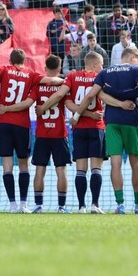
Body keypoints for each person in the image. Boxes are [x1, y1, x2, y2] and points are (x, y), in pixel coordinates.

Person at [71, 48, 138, 214]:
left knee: (115, 163)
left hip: (111, 122)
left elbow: (93, 95)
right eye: (137, 59)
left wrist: (76, 115)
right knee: (135, 163)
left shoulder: (106, 71)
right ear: (132, 57)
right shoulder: (135, 70)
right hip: (131, 120)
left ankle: (120, 205)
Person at [0, 49, 62, 213]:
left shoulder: (5, 70)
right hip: (22, 124)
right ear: (25, 61)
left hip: (3, 123)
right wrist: (69, 79)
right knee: (23, 165)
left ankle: (12, 204)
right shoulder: (31, 74)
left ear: (10, 61)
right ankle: (24, 204)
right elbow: (52, 81)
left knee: (7, 166)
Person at [38, 52, 108, 213]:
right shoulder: (99, 78)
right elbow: (102, 97)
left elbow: (64, 98)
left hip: (79, 129)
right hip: (97, 126)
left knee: (81, 169)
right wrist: (92, 114)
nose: (102, 67)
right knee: (96, 168)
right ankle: (95, 205)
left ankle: (81, 206)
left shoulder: (72, 76)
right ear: (95, 64)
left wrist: (43, 107)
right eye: (101, 64)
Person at [22, 56, 70, 213]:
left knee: (39, 170)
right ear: (59, 68)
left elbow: (28, 103)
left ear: (45, 68)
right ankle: (61, 207)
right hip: (59, 133)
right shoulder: (64, 85)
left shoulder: (38, 86)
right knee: (61, 170)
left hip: (42, 134)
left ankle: (38, 206)